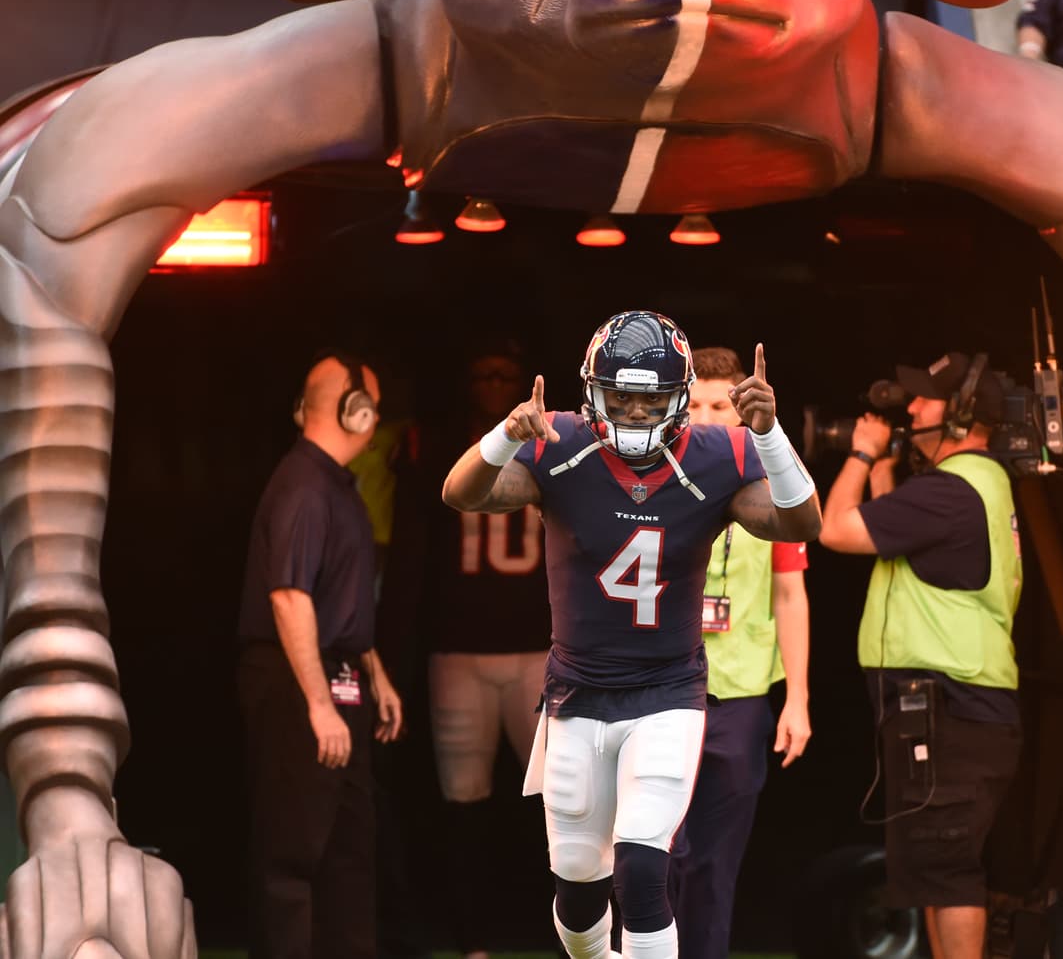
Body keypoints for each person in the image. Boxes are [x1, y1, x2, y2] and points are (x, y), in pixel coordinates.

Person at [442, 311, 822, 959]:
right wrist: (506, 435)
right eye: (621, 398)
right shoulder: (560, 442)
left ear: (679, 399)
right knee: (577, 891)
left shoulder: (718, 452)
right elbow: (462, 494)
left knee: (644, 869)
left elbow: (801, 523)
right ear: (593, 393)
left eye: (651, 399)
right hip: (577, 693)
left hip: (667, 692)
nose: (637, 412)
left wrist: (769, 434)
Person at [818, 351, 1022, 959]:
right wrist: (885, 472)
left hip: (954, 706)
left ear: (960, 415)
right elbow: (893, 536)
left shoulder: (949, 491)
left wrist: (860, 455)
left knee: (949, 870)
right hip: (957, 705)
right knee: (933, 871)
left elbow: (835, 529)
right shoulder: (972, 485)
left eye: (925, 399)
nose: (910, 409)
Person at [238, 351, 404, 959]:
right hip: (299, 682)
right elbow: (289, 597)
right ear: (354, 410)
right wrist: (317, 702)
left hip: (337, 674)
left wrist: (373, 671)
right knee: (295, 849)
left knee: (346, 847)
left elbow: (339, 598)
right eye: (373, 406)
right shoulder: (304, 486)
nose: (376, 418)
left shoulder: (335, 484)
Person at [667, 346, 812, 959]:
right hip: (663, 694)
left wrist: (797, 699)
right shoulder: (654, 478)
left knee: (715, 866)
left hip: (742, 696)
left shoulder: (773, 481)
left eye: (718, 406)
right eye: (694, 405)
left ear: (740, 411)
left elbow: (790, 593)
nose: (704, 417)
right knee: (654, 856)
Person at [429, 344, 552, 959]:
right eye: (485, 374)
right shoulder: (439, 450)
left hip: (535, 653)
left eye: (506, 375)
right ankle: (472, 941)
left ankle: (566, 934)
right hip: (460, 651)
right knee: (464, 803)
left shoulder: (552, 446)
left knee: (559, 803)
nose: (496, 384)